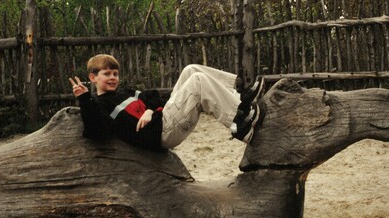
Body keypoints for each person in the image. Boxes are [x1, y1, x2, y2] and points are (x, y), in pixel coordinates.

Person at [69, 54, 265, 151]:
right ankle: (240, 124)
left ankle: (241, 95)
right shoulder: (100, 105)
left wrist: (150, 111)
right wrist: (84, 98)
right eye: (106, 74)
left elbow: (154, 96)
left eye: (115, 74)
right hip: (162, 133)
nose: (113, 78)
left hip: (162, 118)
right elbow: (96, 131)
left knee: (191, 70)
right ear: (93, 78)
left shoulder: (125, 93)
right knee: (198, 82)